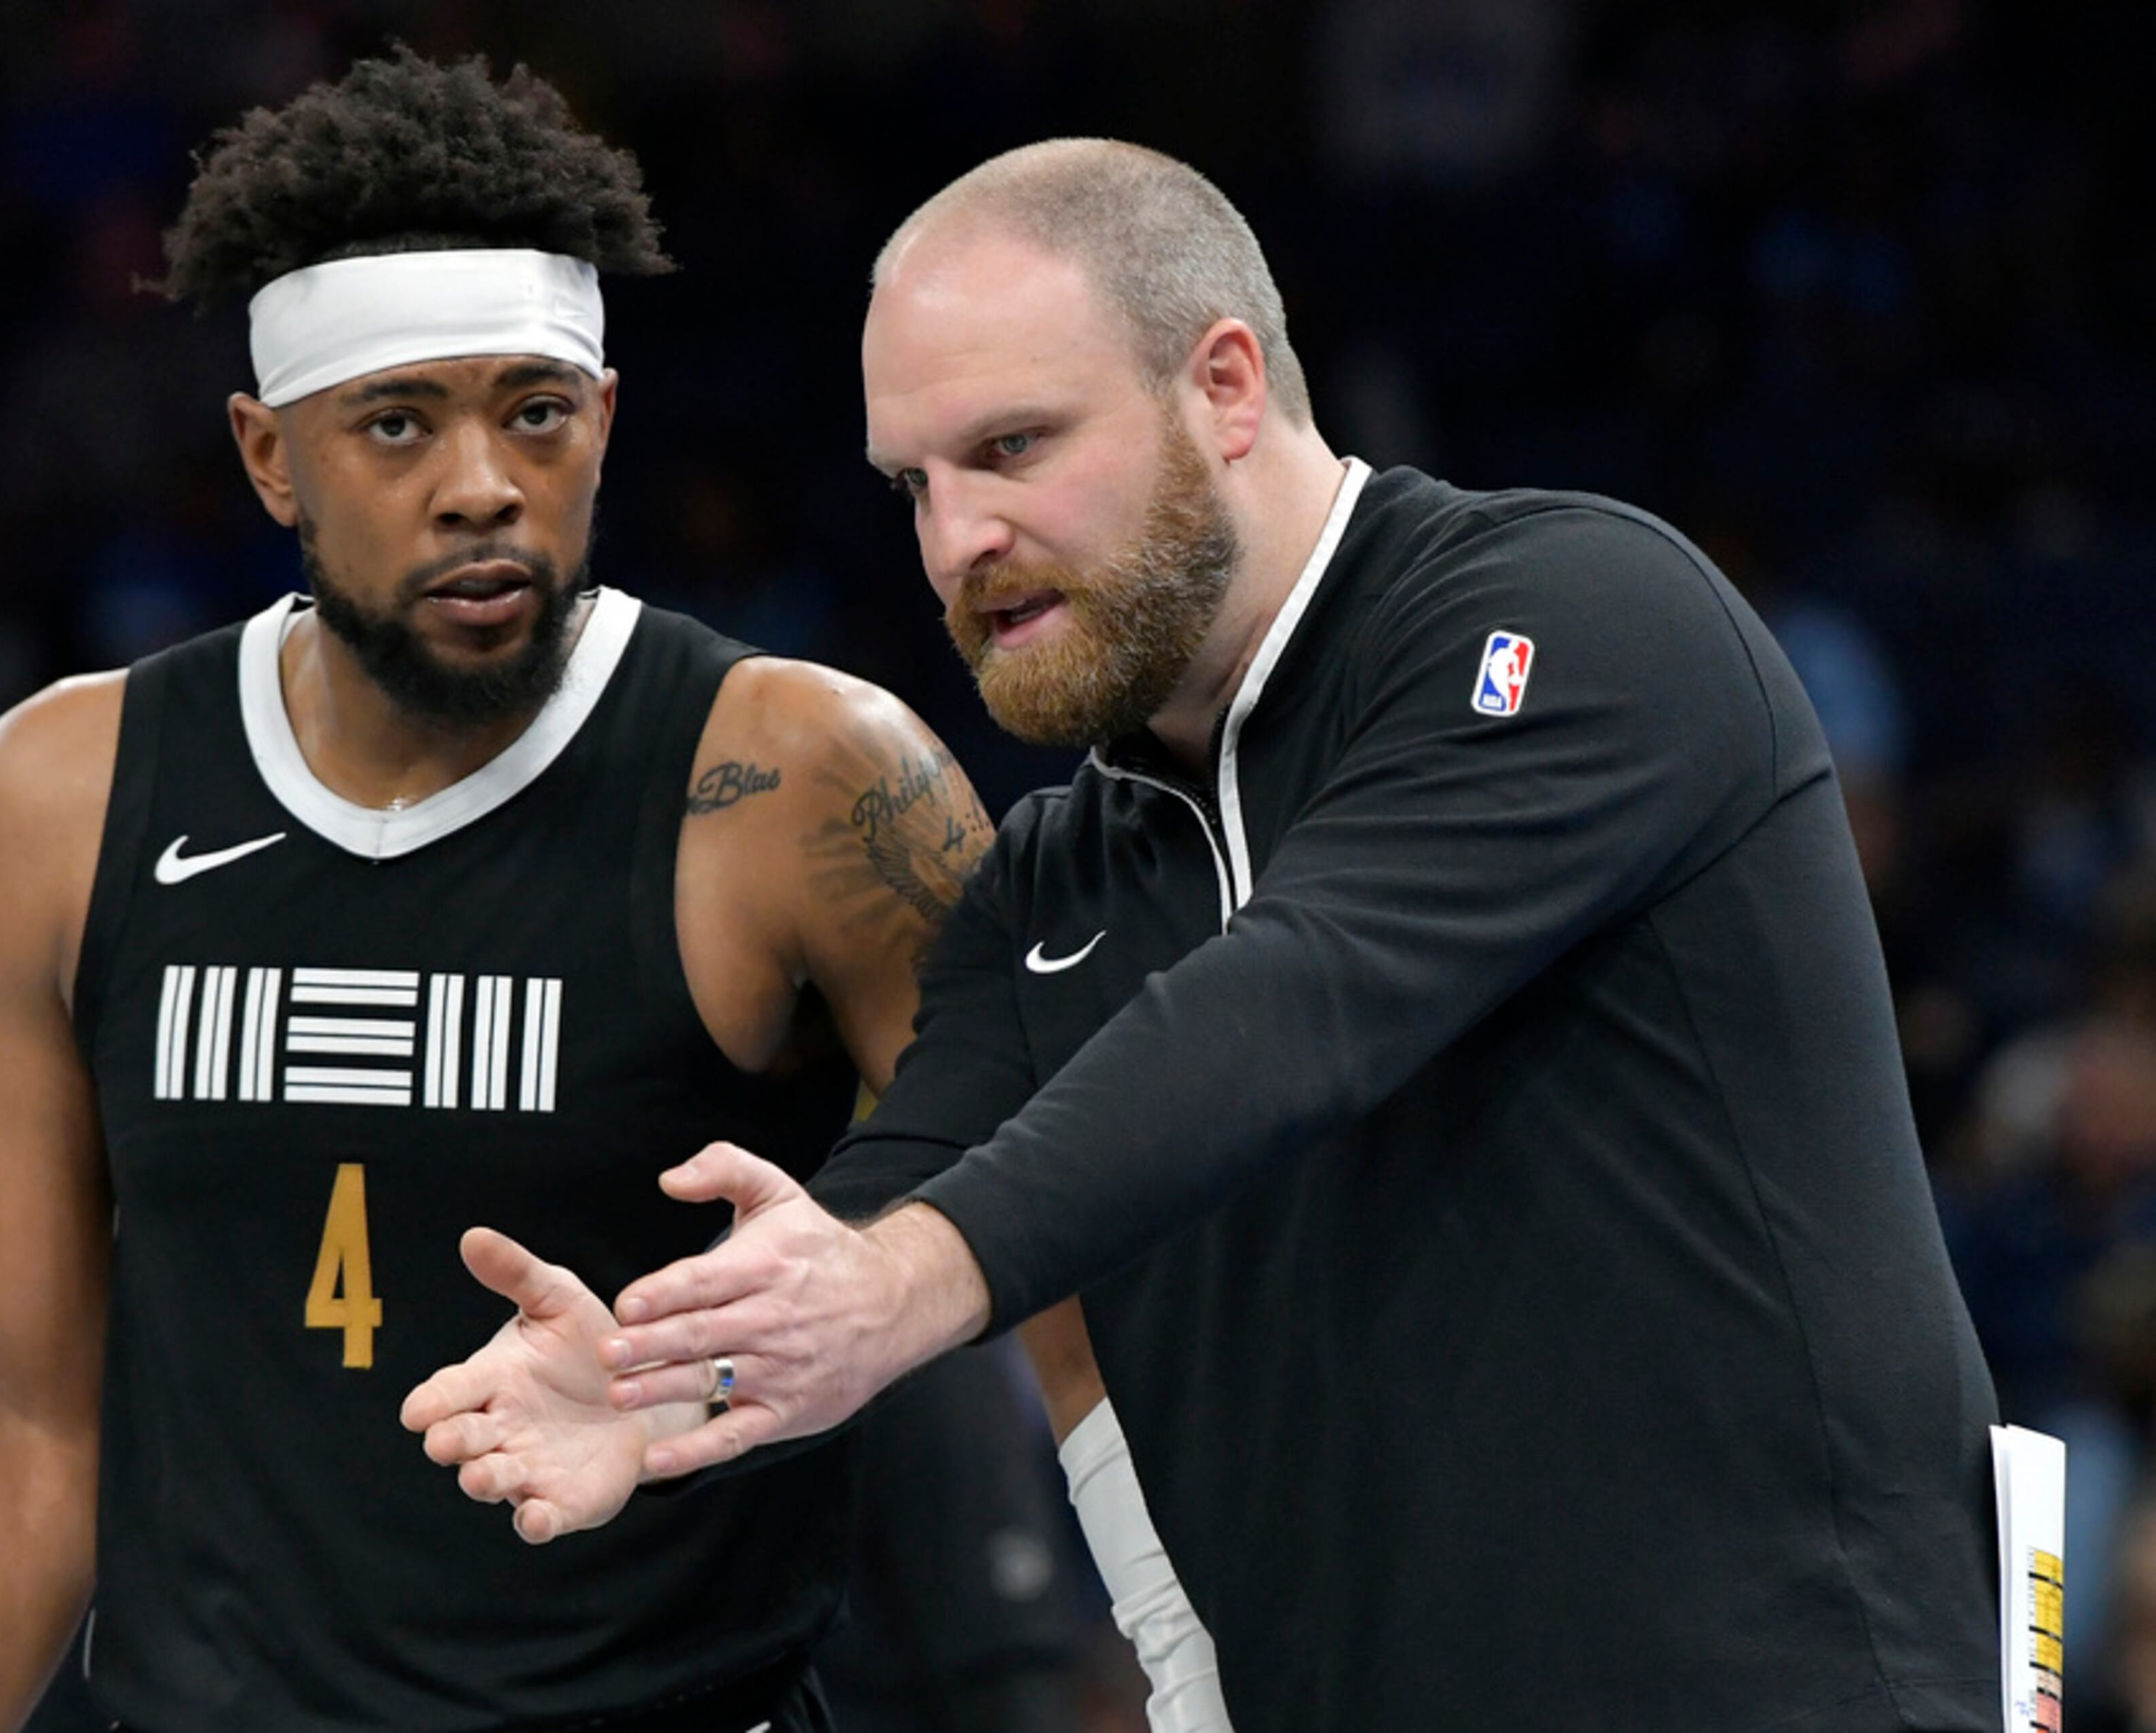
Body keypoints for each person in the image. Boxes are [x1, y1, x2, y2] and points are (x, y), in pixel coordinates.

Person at [409, 139, 2004, 1731]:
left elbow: (1303, 1003)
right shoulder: (1050, 886)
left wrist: (894, 1287)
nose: (959, 538)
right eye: (916, 482)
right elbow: (885, 1213)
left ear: (1227, 388)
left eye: (1014, 446)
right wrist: (660, 1373)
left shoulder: (1581, 617)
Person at [0, 53, 1201, 1733]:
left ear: (606, 424)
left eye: (535, 411)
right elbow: (14, 1413)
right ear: (271, 458)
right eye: (400, 423)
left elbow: (1074, 1277)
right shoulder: (58, 799)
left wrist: (1194, 1661)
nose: (482, 480)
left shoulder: (801, 778)